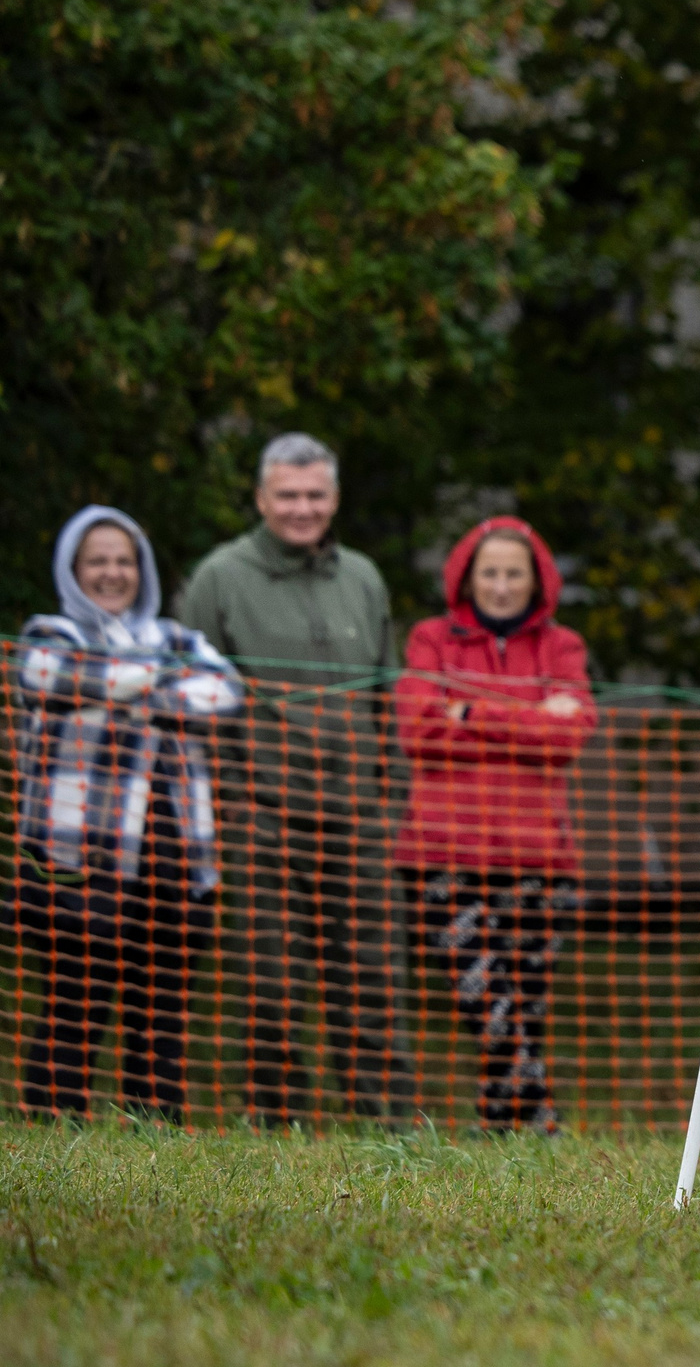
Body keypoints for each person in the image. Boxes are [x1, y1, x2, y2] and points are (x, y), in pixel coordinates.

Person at [176, 432, 418, 1124]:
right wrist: (232, 800)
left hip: (359, 817)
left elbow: (387, 696)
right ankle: (276, 1124)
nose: (301, 508)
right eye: (287, 495)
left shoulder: (362, 577)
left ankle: (386, 1123)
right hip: (262, 816)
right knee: (270, 979)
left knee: (373, 976)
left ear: (335, 499)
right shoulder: (219, 577)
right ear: (261, 498)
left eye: (315, 495)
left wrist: (389, 798)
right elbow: (193, 698)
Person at [15, 507, 243, 1118]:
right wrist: (164, 685)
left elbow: (225, 691)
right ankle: (54, 1131)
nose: (112, 573)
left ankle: (155, 1137)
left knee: (162, 1015)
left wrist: (124, 688)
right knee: (73, 1007)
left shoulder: (176, 637)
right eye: (97, 561)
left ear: (142, 570)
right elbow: (54, 677)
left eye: (124, 561)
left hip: (177, 859)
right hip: (75, 862)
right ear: (72, 570)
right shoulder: (49, 635)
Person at [392, 517, 596, 1134]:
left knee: (524, 1008)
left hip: (540, 858)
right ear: (466, 578)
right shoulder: (430, 639)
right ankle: (542, 1121)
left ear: (537, 581)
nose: (502, 586)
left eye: (514, 573)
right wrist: (530, 714)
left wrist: (466, 712)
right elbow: (416, 730)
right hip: (443, 855)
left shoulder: (563, 647)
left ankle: (500, 1130)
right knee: (488, 1001)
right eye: (489, 573)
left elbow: (570, 736)